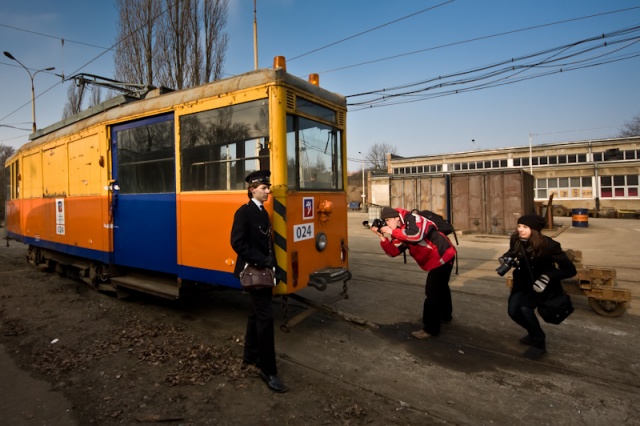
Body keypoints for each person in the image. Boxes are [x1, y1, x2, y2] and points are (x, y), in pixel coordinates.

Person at [230, 170, 287, 393]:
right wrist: (262, 260)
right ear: (252, 189)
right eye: (263, 188)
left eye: (268, 187)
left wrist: (274, 267)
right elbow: (237, 243)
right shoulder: (243, 213)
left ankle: (250, 355)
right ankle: (268, 370)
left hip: (264, 271)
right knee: (265, 318)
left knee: (256, 314)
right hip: (255, 271)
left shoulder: (262, 212)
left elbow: (267, 243)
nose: (268, 191)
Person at [371, 206, 457, 339]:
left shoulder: (414, 219)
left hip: (443, 255)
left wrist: (392, 232)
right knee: (441, 287)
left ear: (395, 217)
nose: (387, 224)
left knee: (432, 292)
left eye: (388, 220)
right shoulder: (400, 229)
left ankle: (430, 329)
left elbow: (415, 235)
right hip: (439, 258)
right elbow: (393, 252)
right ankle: (446, 316)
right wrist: (382, 237)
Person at [504, 214, 577, 360]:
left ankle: (538, 342)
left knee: (525, 309)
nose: (520, 230)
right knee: (513, 311)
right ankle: (533, 332)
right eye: (519, 226)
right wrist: (506, 258)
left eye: (525, 227)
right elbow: (513, 252)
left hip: (541, 285)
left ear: (535, 229)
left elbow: (570, 270)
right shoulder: (516, 239)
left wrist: (548, 276)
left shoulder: (549, 245)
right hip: (522, 283)